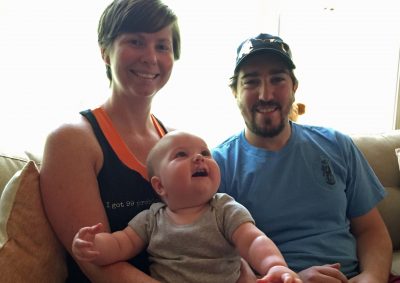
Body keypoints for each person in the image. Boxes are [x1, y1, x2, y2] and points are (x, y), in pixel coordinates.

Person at [212, 33, 395, 283]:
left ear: (294, 87)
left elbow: (371, 230)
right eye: (251, 82)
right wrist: (291, 279)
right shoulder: (217, 166)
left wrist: (371, 278)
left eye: (277, 79)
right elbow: (217, 259)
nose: (265, 94)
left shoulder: (337, 144)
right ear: (235, 91)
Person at [39, 0, 181, 282]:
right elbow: (98, 265)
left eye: (162, 46)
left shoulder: (176, 141)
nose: (150, 57)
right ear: (105, 52)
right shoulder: (71, 140)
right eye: (136, 41)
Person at [71, 130, 302, 283]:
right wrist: (94, 246)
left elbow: (253, 240)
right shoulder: (151, 219)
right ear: (160, 186)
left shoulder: (224, 209)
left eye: (204, 153)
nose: (199, 158)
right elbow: (121, 243)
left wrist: (275, 266)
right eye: (181, 155)